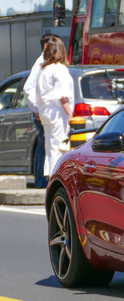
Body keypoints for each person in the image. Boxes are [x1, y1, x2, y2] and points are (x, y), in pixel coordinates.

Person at [35, 36, 74, 178]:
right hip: (57, 113)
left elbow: (37, 94)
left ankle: (51, 177)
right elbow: (63, 96)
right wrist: (70, 114)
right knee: (59, 149)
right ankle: (57, 180)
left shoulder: (43, 71)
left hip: (45, 113)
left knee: (51, 149)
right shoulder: (59, 69)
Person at [23, 33, 59, 188]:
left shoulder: (48, 63)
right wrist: (38, 109)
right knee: (44, 147)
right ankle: (41, 181)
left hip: (47, 112)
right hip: (43, 113)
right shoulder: (40, 63)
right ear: (46, 46)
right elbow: (27, 88)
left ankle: (43, 180)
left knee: (45, 146)